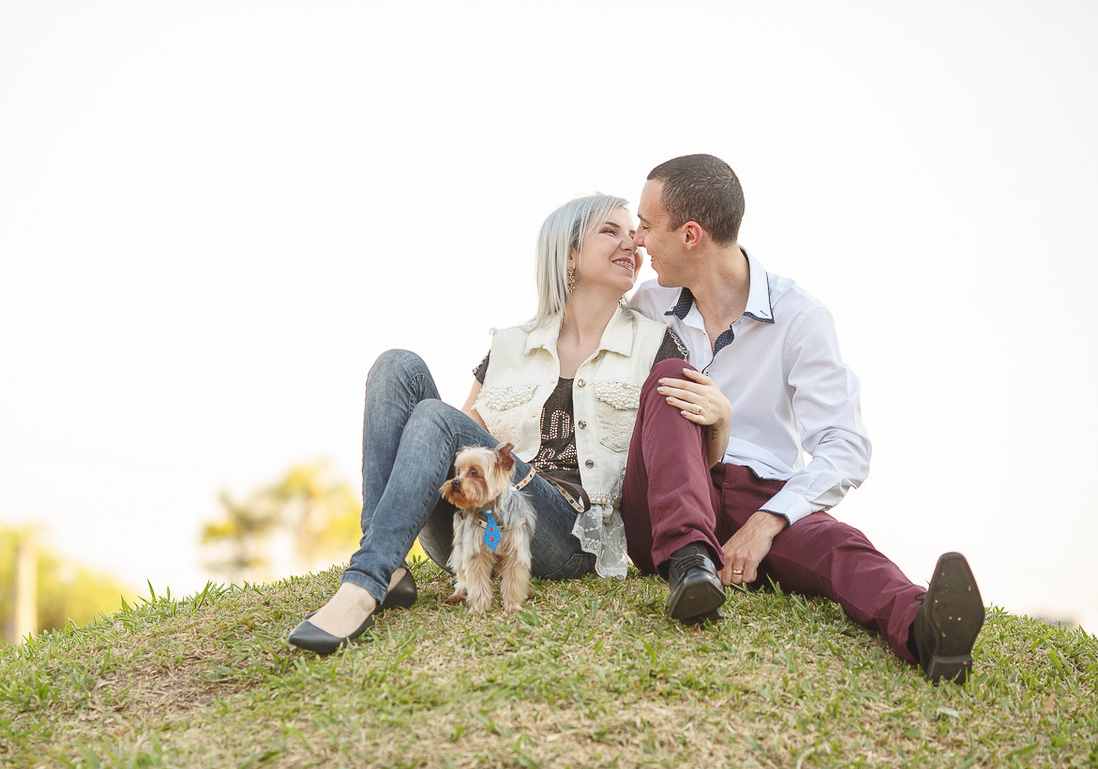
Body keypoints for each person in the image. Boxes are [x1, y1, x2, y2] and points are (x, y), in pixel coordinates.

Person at [287, 193, 727, 654]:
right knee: (396, 366)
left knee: (438, 419)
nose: (632, 244)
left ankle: (364, 582)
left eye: (632, 234)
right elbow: (453, 440)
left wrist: (723, 422)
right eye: (610, 231)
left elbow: (683, 455)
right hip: (479, 523)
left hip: (570, 530)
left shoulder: (656, 344)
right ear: (570, 254)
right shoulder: (511, 345)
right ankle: (388, 567)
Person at [621, 154, 985, 685]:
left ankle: (925, 631)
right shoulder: (647, 305)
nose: (638, 240)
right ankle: (688, 562)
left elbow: (844, 445)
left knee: (837, 546)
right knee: (673, 375)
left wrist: (768, 523)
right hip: (663, 500)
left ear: (691, 235)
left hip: (757, 494)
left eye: (648, 226)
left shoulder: (799, 317)